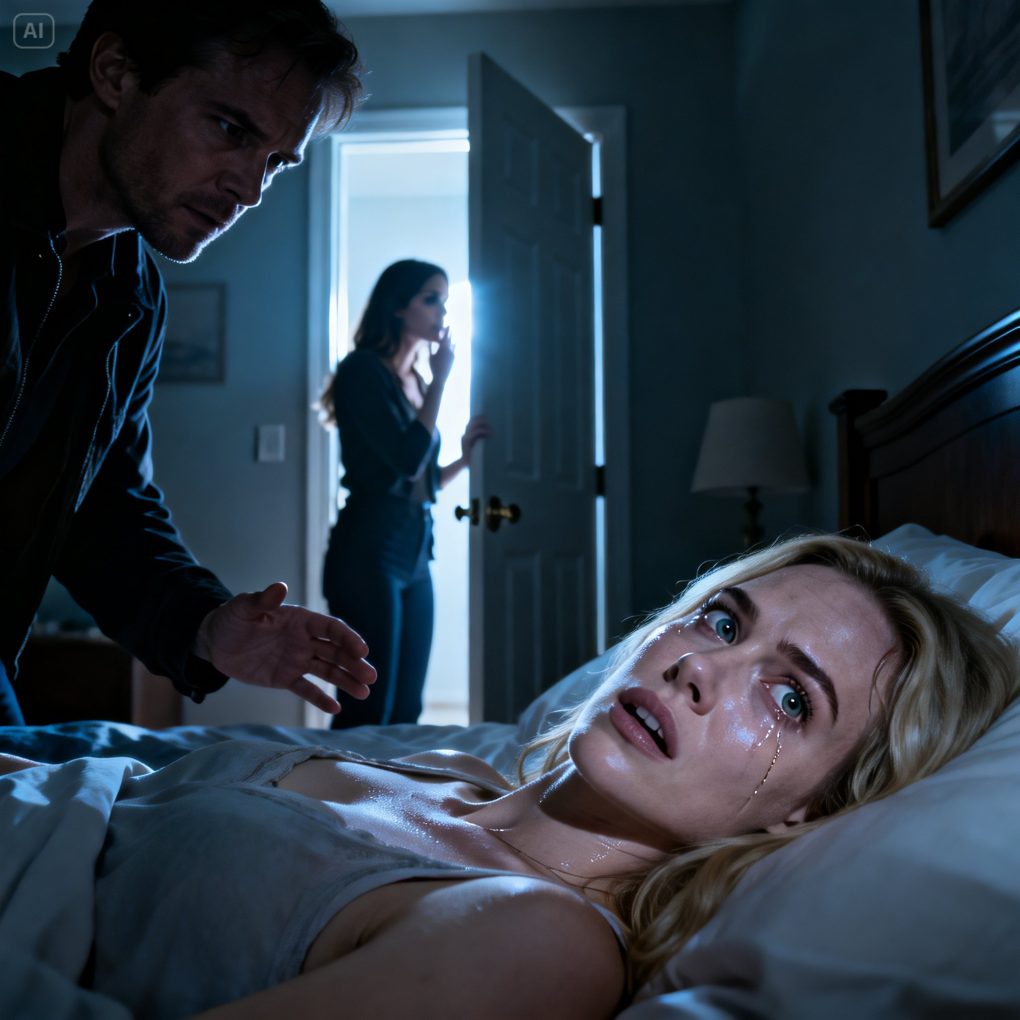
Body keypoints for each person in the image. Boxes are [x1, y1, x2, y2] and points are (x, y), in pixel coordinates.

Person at [2, 533, 1016, 1018]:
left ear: (811, 811)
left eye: (790, 698)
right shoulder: (454, 769)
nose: (701, 670)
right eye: (721, 620)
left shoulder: (539, 943)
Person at [0, 0, 377, 726]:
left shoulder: (131, 296)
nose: (251, 190)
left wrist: (206, 627)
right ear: (116, 72)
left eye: (275, 162)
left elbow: (105, 509)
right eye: (231, 130)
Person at [317, 259, 490, 727]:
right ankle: (341, 776)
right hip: (368, 548)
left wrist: (463, 460)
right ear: (397, 306)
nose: (442, 312)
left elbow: (420, 482)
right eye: (431, 299)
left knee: (408, 707)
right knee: (368, 703)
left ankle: (386, 780)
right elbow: (406, 458)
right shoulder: (362, 371)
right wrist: (442, 382)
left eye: (445, 302)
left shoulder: (416, 380)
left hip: (415, 549)